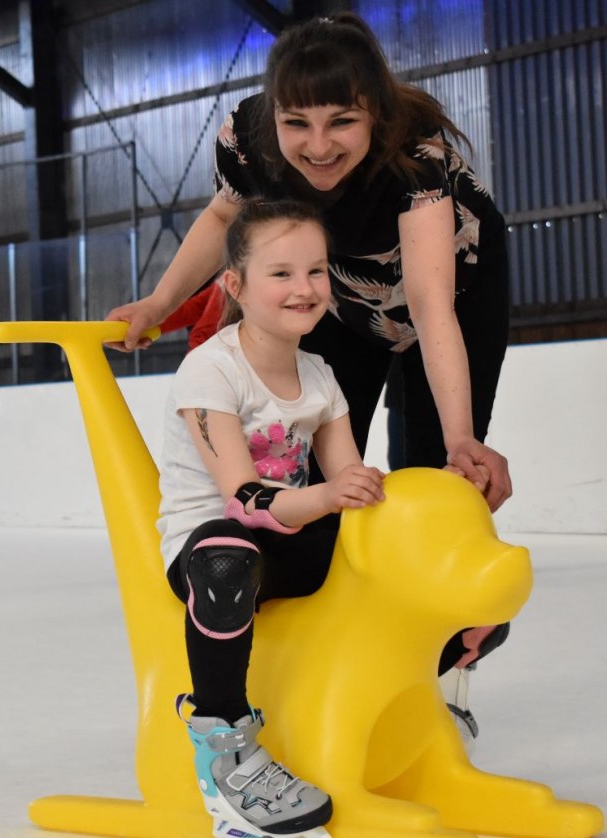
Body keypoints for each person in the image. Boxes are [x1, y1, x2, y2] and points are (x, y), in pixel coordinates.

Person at [110, 12, 512, 742]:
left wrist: (462, 439)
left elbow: (429, 306)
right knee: (324, 487)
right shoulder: (248, 134)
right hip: (340, 292)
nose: (318, 146)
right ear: (274, 114)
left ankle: (441, 674)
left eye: (342, 123)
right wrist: (160, 302)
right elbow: (223, 212)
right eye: (299, 123)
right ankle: (317, 665)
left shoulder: (416, 161)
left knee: (428, 481)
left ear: (376, 115)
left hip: (451, 294)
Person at [160, 198, 403, 835]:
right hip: (208, 555)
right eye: (282, 273)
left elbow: (351, 493)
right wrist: (328, 498)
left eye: (317, 272)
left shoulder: (320, 376)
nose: (305, 288)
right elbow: (246, 501)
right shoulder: (210, 368)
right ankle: (224, 751)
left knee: (394, 553)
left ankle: (415, 702)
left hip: (285, 544)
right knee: (227, 548)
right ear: (236, 285)